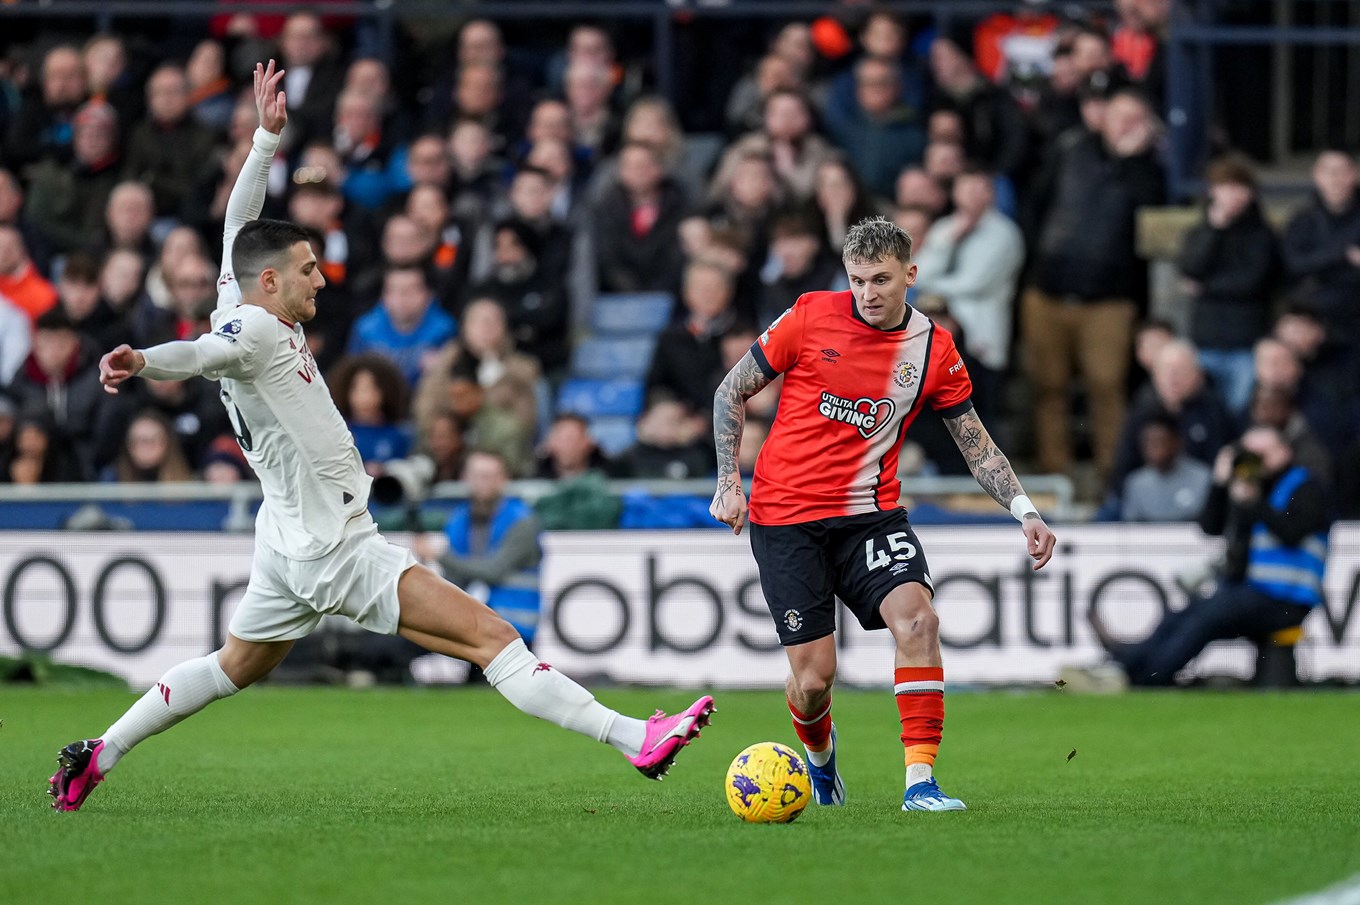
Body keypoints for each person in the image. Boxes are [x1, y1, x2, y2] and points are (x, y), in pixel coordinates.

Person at [49, 61, 714, 814]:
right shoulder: (253, 330)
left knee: (232, 664)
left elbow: (239, 222)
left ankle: (97, 754)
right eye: (306, 268)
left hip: (287, 536)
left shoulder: (241, 293)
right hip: (335, 548)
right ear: (270, 284)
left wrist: (266, 141)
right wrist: (142, 362)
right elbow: (200, 355)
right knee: (492, 636)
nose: (321, 278)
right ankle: (637, 737)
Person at [708, 216, 1056, 812]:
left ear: (910, 276)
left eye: (882, 280)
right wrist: (727, 482)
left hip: (871, 516)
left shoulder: (934, 349)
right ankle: (820, 759)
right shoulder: (811, 316)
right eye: (858, 279)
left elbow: (975, 442)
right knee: (814, 680)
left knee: (919, 621)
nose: (868, 293)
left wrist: (1025, 510)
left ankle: (920, 783)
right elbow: (730, 390)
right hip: (786, 515)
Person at [1092, 425, 1331, 686]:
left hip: (1287, 599)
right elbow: (1210, 527)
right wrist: (1220, 482)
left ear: (1284, 452)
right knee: (1184, 613)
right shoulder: (1253, 487)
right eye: (1248, 454)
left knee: (1207, 617)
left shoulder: (1305, 486)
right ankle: (1128, 663)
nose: (1255, 461)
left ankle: (1149, 676)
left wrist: (1254, 503)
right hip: (1250, 592)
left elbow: (1292, 532)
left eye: (1262, 453)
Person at [412, 449, 543, 647]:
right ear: (465, 478)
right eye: (477, 475)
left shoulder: (522, 521)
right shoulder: (459, 519)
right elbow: (454, 578)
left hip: (515, 626)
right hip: (475, 622)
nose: (483, 482)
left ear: (504, 479)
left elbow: (494, 571)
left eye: (490, 476)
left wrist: (439, 555)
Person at [1118, 411, 1212, 522]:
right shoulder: (1135, 483)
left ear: (1177, 442)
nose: (1154, 449)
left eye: (1161, 441)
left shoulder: (1203, 477)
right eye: (1149, 442)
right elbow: (1131, 528)